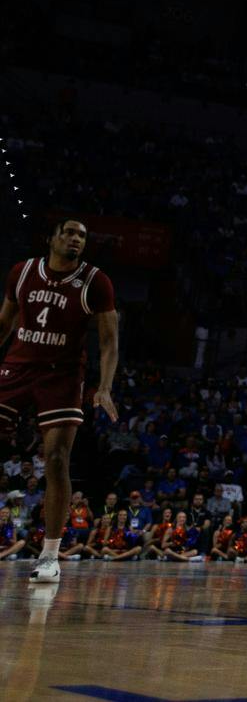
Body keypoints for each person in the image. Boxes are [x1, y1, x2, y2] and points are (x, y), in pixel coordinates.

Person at [0, 219, 118, 586]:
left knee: (56, 459)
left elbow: (109, 341)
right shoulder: (22, 272)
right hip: (16, 368)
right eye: (69, 232)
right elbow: (4, 323)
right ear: (51, 238)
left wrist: (104, 387)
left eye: (82, 236)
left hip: (62, 377)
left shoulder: (96, 281)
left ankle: (50, 556)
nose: (75, 239)